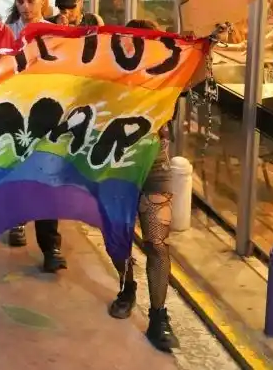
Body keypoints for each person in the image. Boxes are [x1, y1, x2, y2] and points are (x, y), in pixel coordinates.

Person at [101, 19, 180, 352]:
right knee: (118, 239)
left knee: (158, 244)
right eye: (130, 43)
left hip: (155, 168)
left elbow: (198, 73)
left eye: (144, 43)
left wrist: (210, 41)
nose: (135, 49)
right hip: (117, 171)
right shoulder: (107, 79)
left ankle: (159, 315)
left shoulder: (166, 76)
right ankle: (127, 286)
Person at [3, 0, 68, 274]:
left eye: (30, 0)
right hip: (15, 113)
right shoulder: (5, 33)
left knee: (46, 179)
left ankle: (51, 246)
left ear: (42, 0)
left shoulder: (57, 33)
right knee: (16, 171)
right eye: (20, 1)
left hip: (47, 116)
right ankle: (16, 218)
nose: (26, 6)